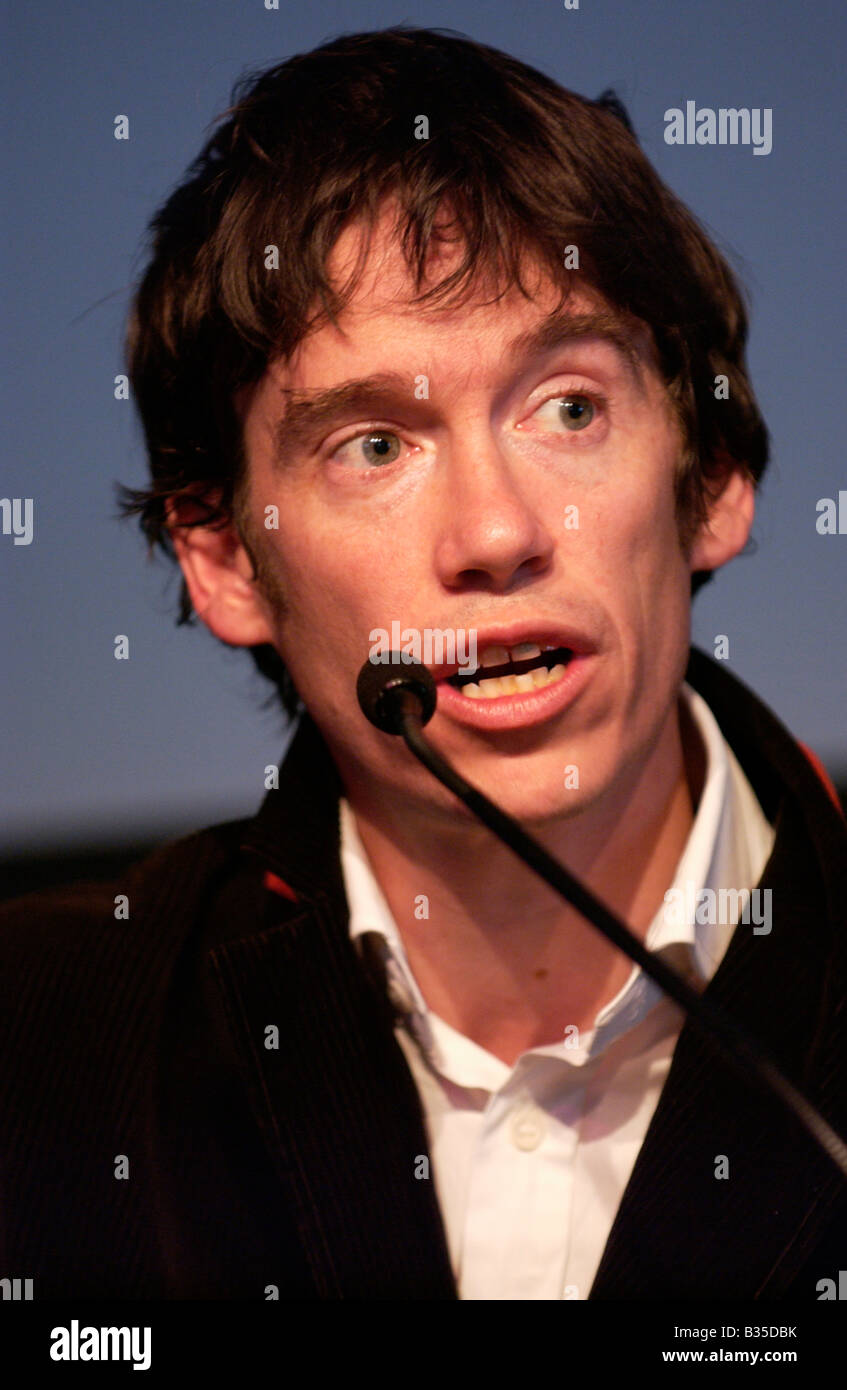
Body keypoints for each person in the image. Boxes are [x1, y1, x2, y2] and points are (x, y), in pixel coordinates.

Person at [1, 26, 845, 1302]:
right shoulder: (39, 1044)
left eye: (568, 406)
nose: (495, 533)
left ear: (710, 478)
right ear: (226, 559)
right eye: (376, 446)